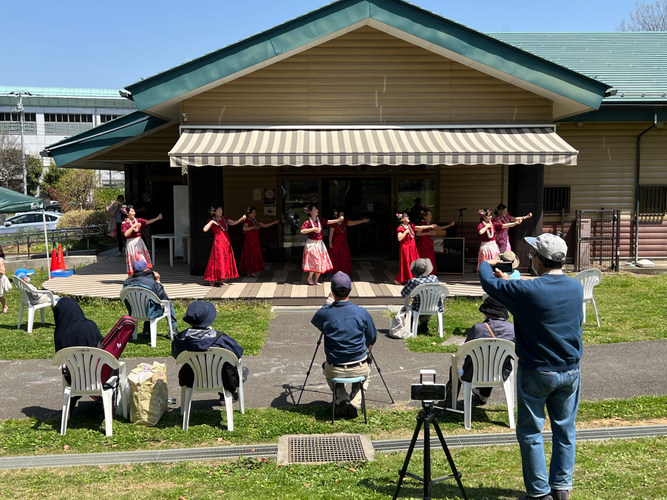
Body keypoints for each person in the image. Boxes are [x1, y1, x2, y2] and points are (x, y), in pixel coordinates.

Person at [479, 233, 584, 500]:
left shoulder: (526, 291)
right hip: (570, 369)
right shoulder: (576, 287)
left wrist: (487, 263)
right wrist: (511, 281)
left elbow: (488, 283)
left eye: (531, 255)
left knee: (530, 431)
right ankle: (561, 488)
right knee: (565, 429)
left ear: (538, 259)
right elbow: (541, 293)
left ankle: (539, 494)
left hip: (537, 370)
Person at [311, 272, 377, 418]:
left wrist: (328, 302)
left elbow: (316, 319)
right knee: (366, 376)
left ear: (332, 291)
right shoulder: (362, 312)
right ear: (351, 289)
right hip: (359, 365)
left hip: (335, 367)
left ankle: (341, 398)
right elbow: (372, 338)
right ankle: (355, 401)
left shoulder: (326, 314)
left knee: (328, 372)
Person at [447, 296, 515, 407]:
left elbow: (466, 351)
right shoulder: (512, 329)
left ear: (486, 312)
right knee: (493, 360)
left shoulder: (477, 328)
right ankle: (483, 395)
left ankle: (451, 403)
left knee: (477, 361)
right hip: (501, 372)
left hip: (475, 373)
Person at [171, 301, 247, 399]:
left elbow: (176, 355)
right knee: (239, 369)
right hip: (223, 379)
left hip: (190, 379)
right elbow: (237, 354)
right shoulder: (221, 339)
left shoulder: (179, 339)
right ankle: (226, 394)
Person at [123, 260, 178, 336]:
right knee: (167, 303)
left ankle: (147, 331)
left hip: (134, 311)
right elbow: (161, 295)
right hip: (150, 311)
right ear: (145, 269)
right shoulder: (151, 282)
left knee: (148, 302)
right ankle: (173, 329)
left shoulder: (127, 282)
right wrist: (158, 281)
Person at [300, 204, 342, 286]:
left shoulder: (320, 220)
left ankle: (316, 280)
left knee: (320, 261)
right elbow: (302, 231)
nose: (317, 210)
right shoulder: (307, 222)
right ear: (311, 212)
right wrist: (313, 229)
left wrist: (338, 220)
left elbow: (328, 222)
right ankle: (310, 277)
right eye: (315, 209)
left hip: (320, 244)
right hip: (311, 243)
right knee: (315, 260)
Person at [203, 206, 246, 286]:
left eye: (221, 209)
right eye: (219, 210)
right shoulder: (212, 220)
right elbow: (205, 229)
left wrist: (241, 219)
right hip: (218, 243)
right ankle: (212, 279)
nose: (221, 211)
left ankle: (222, 280)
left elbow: (233, 223)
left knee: (225, 260)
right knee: (217, 260)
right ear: (214, 212)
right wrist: (211, 222)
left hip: (226, 242)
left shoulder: (225, 219)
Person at [400, 258, 442, 334]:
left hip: (418, 306)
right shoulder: (434, 278)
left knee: (411, 305)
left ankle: (413, 324)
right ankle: (424, 324)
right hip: (434, 305)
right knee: (428, 302)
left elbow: (404, 293)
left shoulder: (413, 281)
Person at [395, 212, 436, 285]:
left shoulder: (411, 225)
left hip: (413, 247)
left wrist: (430, 226)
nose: (408, 218)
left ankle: (413, 278)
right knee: (407, 263)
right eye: (406, 217)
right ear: (402, 219)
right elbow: (399, 238)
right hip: (405, 248)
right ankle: (401, 279)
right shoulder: (400, 228)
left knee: (414, 262)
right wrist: (405, 232)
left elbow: (419, 227)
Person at [121, 205, 162, 277]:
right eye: (131, 211)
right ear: (127, 213)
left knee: (142, 259)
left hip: (139, 242)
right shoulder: (124, 223)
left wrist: (157, 218)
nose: (133, 213)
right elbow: (125, 234)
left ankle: (144, 276)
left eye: (134, 211)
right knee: (133, 261)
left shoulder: (138, 220)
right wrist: (133, 226)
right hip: (131, 243)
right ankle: (131, 278)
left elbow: (146, 222)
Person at [327, 207, 370, 276]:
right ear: (336, 216)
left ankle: (344, 272)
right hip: (335, 243)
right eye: (341, 215)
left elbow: (353, 222)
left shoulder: (345, 222)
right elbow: (331, 234)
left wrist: (362, 221)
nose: (342, 217)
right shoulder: (333, 223)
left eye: (343, 215)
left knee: (344, 257)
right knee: (334, 257)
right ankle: (333, 272)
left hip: (343, 243)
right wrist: (330, 243)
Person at [239, 206, 279, 278]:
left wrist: (273, 223)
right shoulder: (247, 221)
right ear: (249, 213)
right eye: (253, 213)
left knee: (255, 254)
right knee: (251, 254)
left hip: (255, 240)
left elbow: (264, 225)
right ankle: (251, 271)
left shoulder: (255, 220)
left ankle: (251, 272)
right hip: (250, 241)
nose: (255, 214)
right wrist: (253, 227)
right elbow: (244, 228)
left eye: (255, 212)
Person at [416, 209, 454, 275]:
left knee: (431, 258)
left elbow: (439, 228)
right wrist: (428, 233)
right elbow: (418, 234)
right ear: (425, 216)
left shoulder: (431, 223)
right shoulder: (422, 224)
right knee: (425, 258)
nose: (431, 216)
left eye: (431, 215)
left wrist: (449, 225)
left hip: (430, 243)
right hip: (423, 244)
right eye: (429, 215)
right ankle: (423, 273)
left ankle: (431, 273)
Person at [0, 245, 11, 313]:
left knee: (0, 295)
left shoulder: (0, 261)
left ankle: (5, 306)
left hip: (0, 279)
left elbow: (1, 272)